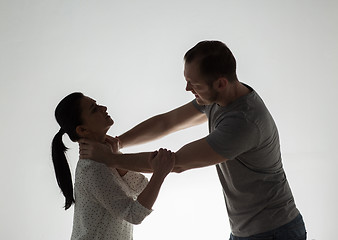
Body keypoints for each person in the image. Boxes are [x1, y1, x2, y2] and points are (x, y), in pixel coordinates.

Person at [79, 41, 307, 239]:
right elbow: (167, 122)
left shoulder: (243, 123)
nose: (188, 88)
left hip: (274, 231)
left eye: (195, 84)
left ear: (220, 83)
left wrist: (110, 159)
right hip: (247, 231)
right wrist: (119, 142)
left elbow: (176, 163)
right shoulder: (219, 99)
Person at [51, 92, 175, 240]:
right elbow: (134, 214)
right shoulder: (92, 169)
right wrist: (160, 173)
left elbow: (140, 187)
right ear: (82, 130)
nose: (104, 107)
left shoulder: (105, 158)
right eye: (94, 109)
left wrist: (116, 158)